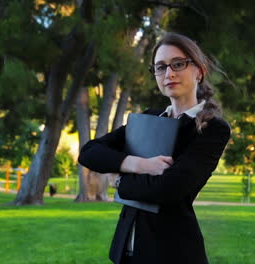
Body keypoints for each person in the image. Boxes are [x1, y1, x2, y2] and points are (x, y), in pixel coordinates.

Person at [78, 32, 231, 264]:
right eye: (160, 67)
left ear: (199, 71)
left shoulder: (213, 129)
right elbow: (89, 152)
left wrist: (118, 180)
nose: (169, 73)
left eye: (178, 64)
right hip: (125, 252)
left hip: (172, 253)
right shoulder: (147, 119)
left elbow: (169, 189)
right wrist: (138, 164)